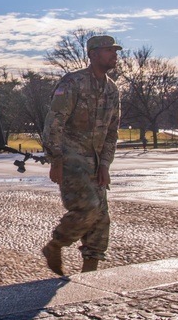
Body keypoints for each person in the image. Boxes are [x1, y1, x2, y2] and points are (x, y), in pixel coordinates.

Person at [40, 35, 122, 276]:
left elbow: (112, 130)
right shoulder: (73, 82)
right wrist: (56, 160)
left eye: (115, 51)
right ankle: (55, 245)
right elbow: (54, 122)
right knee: (88, 208)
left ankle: (90, 277)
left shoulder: (112, 89)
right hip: (71, 158)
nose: (114, 55)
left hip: (96, 163)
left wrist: (105, 164)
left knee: (101, 221)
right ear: (93, 54)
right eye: (109, 51)